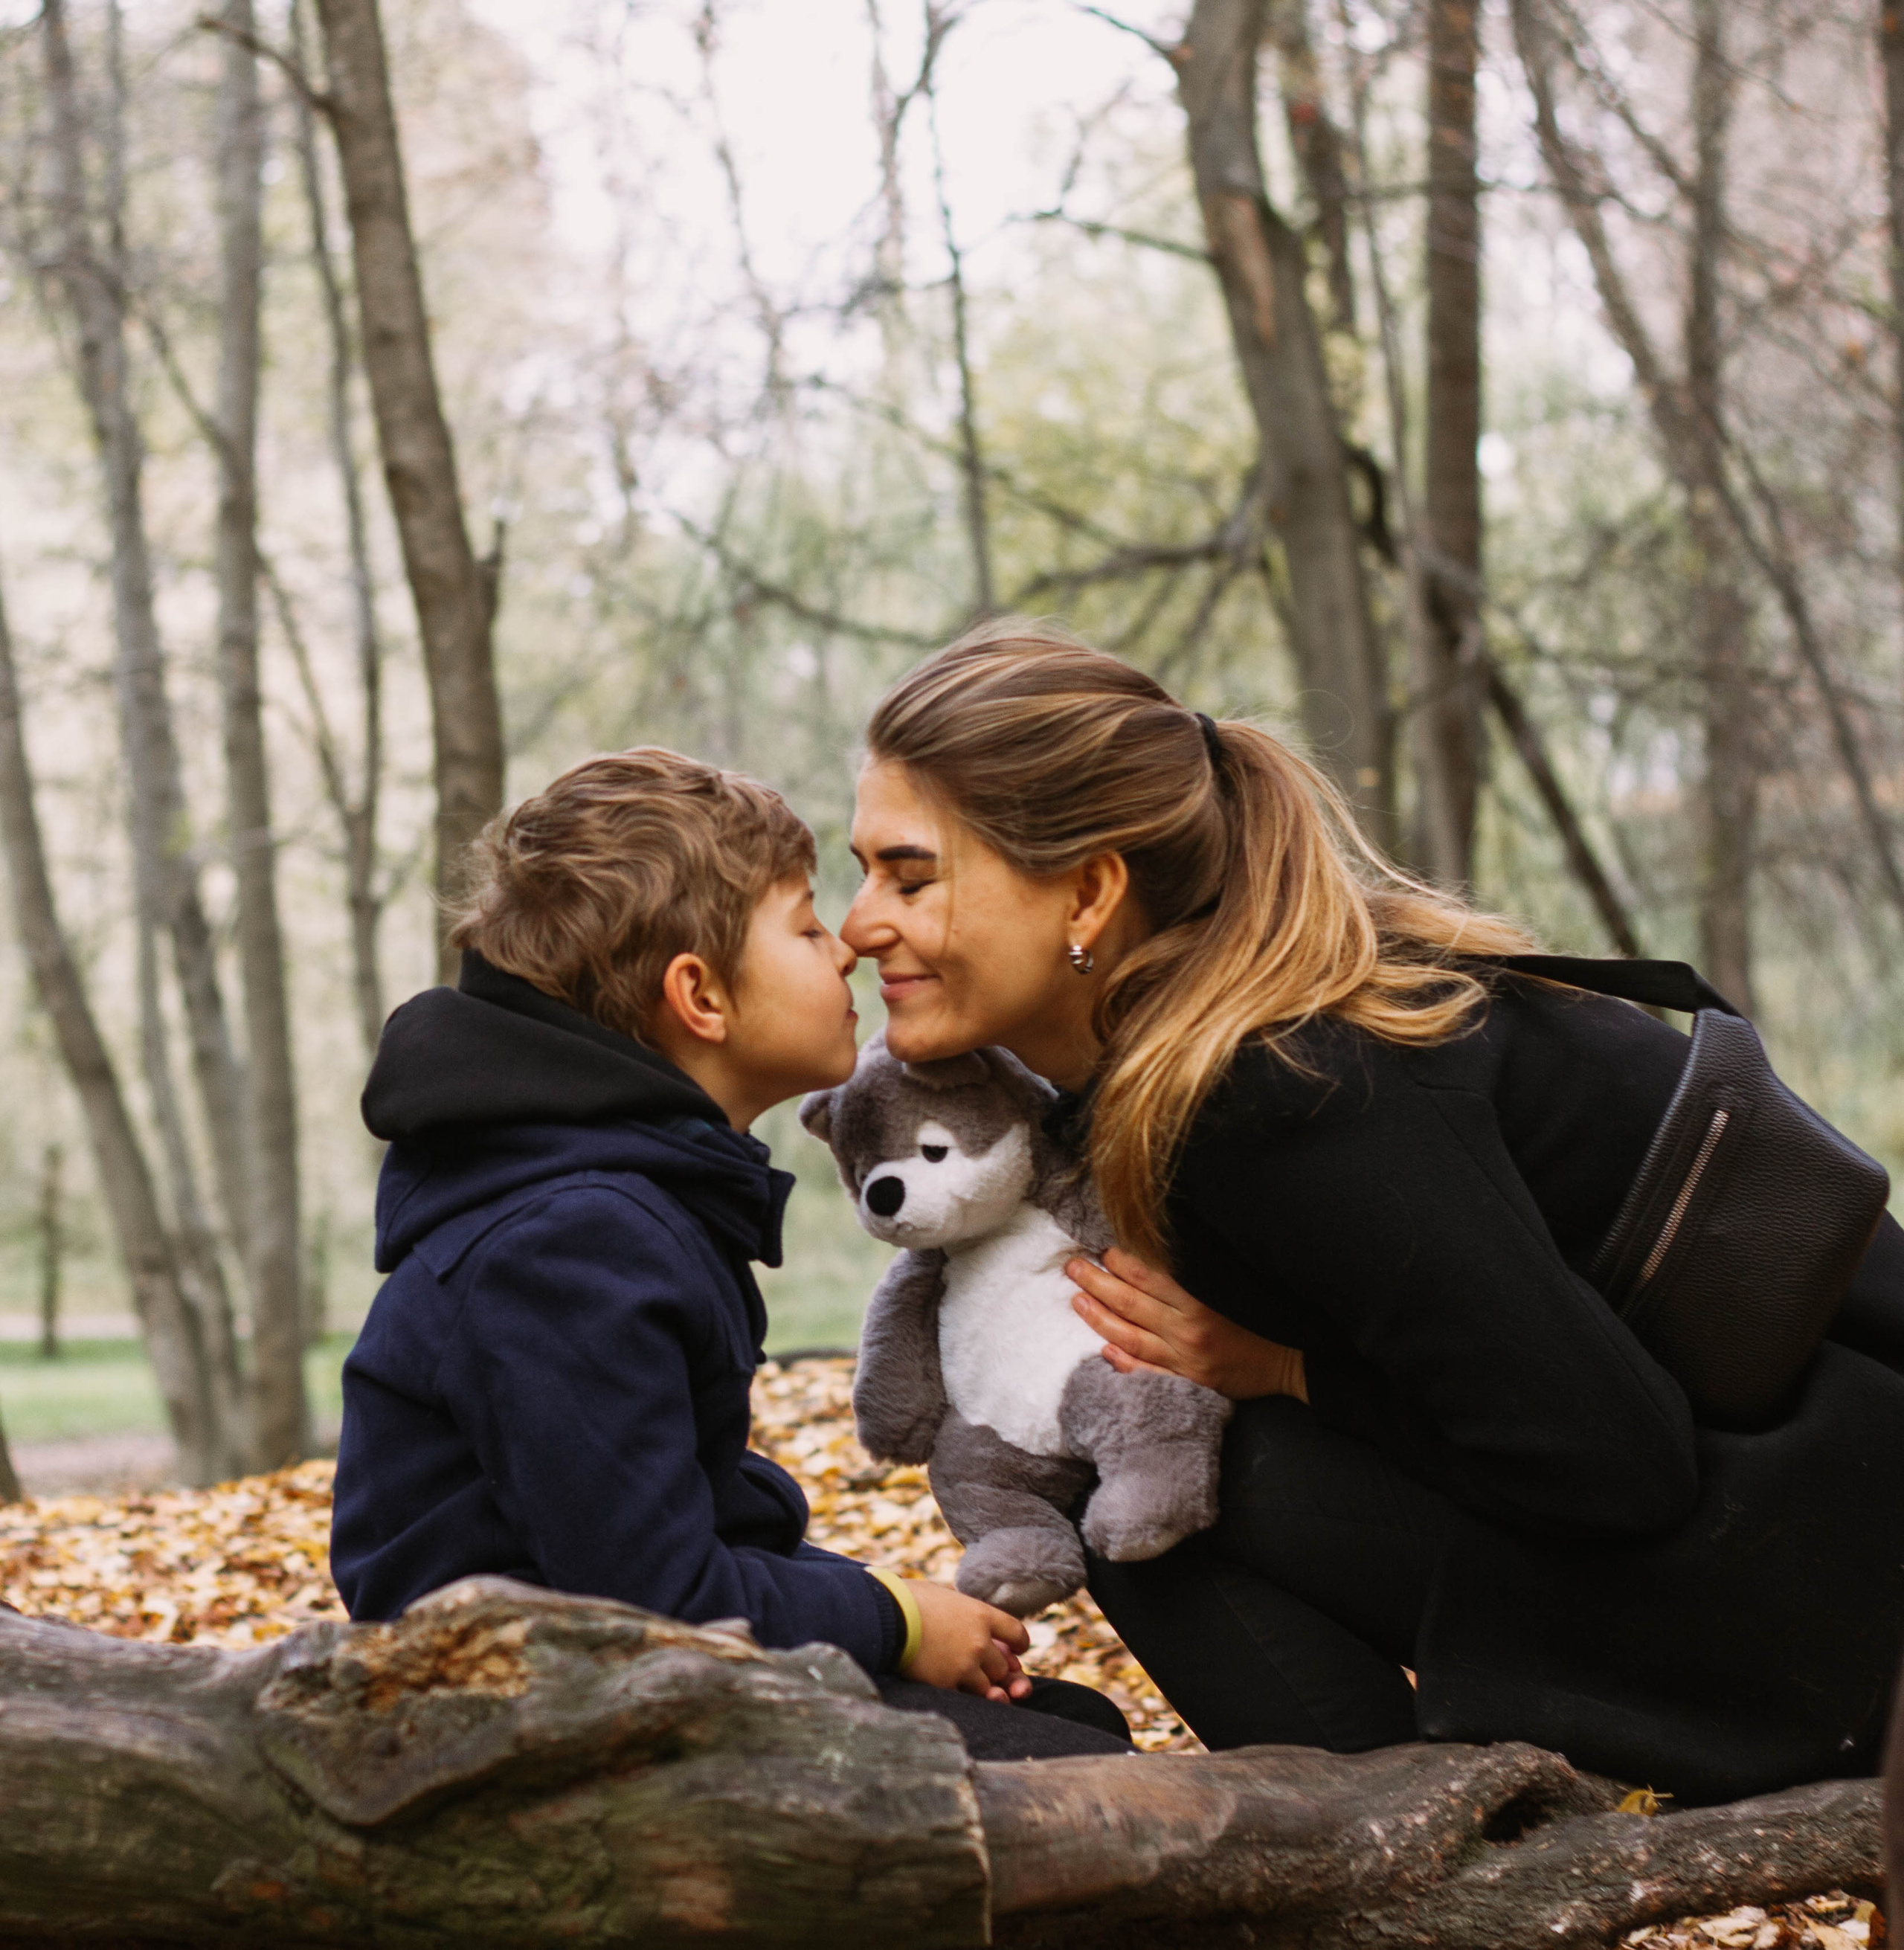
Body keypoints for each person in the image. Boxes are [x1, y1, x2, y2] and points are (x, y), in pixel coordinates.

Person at [837, 617, 1904, 1804]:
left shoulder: (1276, 1088)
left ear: (1088, 890)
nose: (856, 923)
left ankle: (1434, 1878)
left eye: (909, 874)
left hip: (1832, 1569)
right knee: (1131, 1464)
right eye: (860, 872)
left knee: (1148, 1492)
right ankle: (1420, 1865)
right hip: (1794, 1519)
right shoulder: (1199, 1049)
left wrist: (1283, 1371)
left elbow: (1617, 1460)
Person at [330, 747, 1132, 1760]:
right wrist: (900, 1620)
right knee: (1069, 1774)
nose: (844, 945)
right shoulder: (567, 1245)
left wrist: (881, 1611)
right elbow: (654, 1597)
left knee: (1077, 1727)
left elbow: (679, 1543)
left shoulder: (621, 1202)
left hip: (604, 1686)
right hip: (521, 1735)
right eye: (803, 925)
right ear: (701, 996)